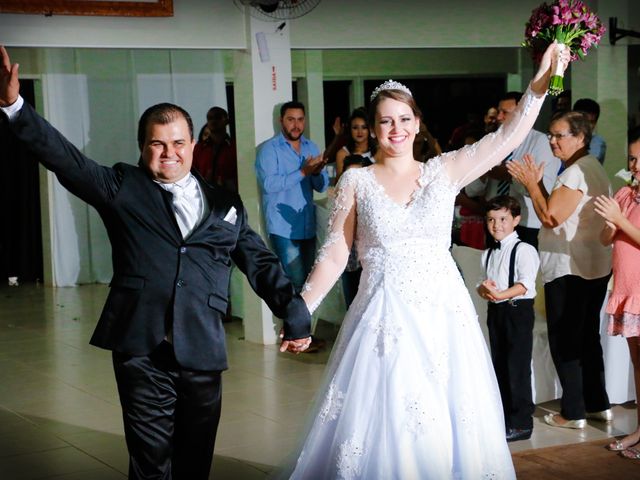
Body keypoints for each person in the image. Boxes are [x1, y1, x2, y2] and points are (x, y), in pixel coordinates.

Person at [0, 45, 312, 480]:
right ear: (143, 147)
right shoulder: (121, 186)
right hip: (141, 348)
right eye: (157, 144)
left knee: (195, 461)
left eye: (178, 142)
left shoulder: (225, 202)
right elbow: (66, 160)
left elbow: (259, 262)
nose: (169, 152)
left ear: (192, 145)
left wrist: (294, 313)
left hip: (202, 348)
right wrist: (14, 106)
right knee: (150, 464)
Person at [280, 43, 569, 479]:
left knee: (446, 415)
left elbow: (508, 136)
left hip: (442, 312)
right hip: (382, 312)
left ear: (417, 123)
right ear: (374, 128)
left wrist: (542, 79)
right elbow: (336, 251)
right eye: (385, 121)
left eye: (403, 119)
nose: (395, 128)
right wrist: (302, 310)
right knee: (386, 419)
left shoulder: (445, 169)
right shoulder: (356, 180)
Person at [507, 110, 613, 430]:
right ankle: (597, 404)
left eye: (559, 135)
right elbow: (554, 211)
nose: (552, 141)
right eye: (550, 135)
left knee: (566, 338)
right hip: (593, 264)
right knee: (586, 337)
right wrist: (537, 183)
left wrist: (531, 183)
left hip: (570, 267)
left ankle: (574, 411)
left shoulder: (575, 173)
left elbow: (551, 217)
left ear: (580, 137)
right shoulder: (592, 167)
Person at [477, 195, 539, 442]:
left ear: (516, 220)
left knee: (517, 367)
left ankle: (522, 422)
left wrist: (501, 293)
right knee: (499, 364)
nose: (496, 224)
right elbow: (482, 286)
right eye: (491, 219)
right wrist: (485, 290)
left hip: (518, 311)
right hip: (497, 312)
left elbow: (525, 284)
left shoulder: (525, 250)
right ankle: (503, 418)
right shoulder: (488, 254)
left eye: (503, 219)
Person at [594, 126, 640, 459]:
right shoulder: (625, 195)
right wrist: (610, 225)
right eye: (632, 160)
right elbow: (605, 240)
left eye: (639, 160)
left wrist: (619, 222)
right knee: (638, 367)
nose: (633, 166)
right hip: (627, 290)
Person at [255, 101, 329, 292]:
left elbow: (321, 187)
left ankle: (296, 322)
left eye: (300, 120)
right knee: (295, 283)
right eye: (291, 120)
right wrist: (303, 172)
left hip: (308, 225)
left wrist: (316, 173)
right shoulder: (269, 149)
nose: (296, 125)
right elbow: (269, 185)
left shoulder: (311, 147)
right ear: (281, 121)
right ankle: (295, 322)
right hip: (283, 228)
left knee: (310, 285)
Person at [485, 91, 560, 249]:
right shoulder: (494, 141)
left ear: (522, 114)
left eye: (505, 113)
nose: (499, 117)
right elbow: (480, 183)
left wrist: (507, 174)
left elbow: (542, 185)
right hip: (495, 222)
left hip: (526, 223)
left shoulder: (541, 142)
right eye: (499, 111)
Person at [192, 106, 238, 192]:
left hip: (231, 195)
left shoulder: (235, 146)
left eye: (217, 117)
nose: (213, 121)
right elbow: (193, 173)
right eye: (210, 118)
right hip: (205, 194)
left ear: (226, 120)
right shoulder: (199, 148)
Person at [335, 108, 375, 178]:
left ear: (370, 129)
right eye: (355, 128)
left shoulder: (378, 151)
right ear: (350, 129)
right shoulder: (342, 154)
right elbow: (338, 184)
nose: (360, 132)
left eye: (364, 127)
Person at [573, 98, 606, 164]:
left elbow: (585, 164)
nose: (588, 126)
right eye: (585, 121)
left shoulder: (597, 142)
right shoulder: (566, 137)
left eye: (592, 122)